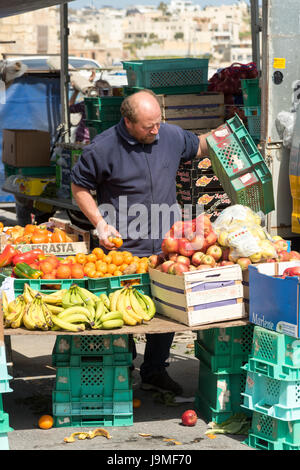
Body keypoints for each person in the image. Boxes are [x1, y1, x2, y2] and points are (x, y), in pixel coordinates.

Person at [71, 89, 212, 396]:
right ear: (128, 122)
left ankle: (155, 370)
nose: (155, 130)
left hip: (167, 248)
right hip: (123, 251)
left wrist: (226, 138)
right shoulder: (103, 147)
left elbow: (199, 144)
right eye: (148, 125)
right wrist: (100, 223)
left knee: (169, 310)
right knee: (124, 316)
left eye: (158, 122)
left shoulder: (170, 136)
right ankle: (122, 369)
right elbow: (79, 185)